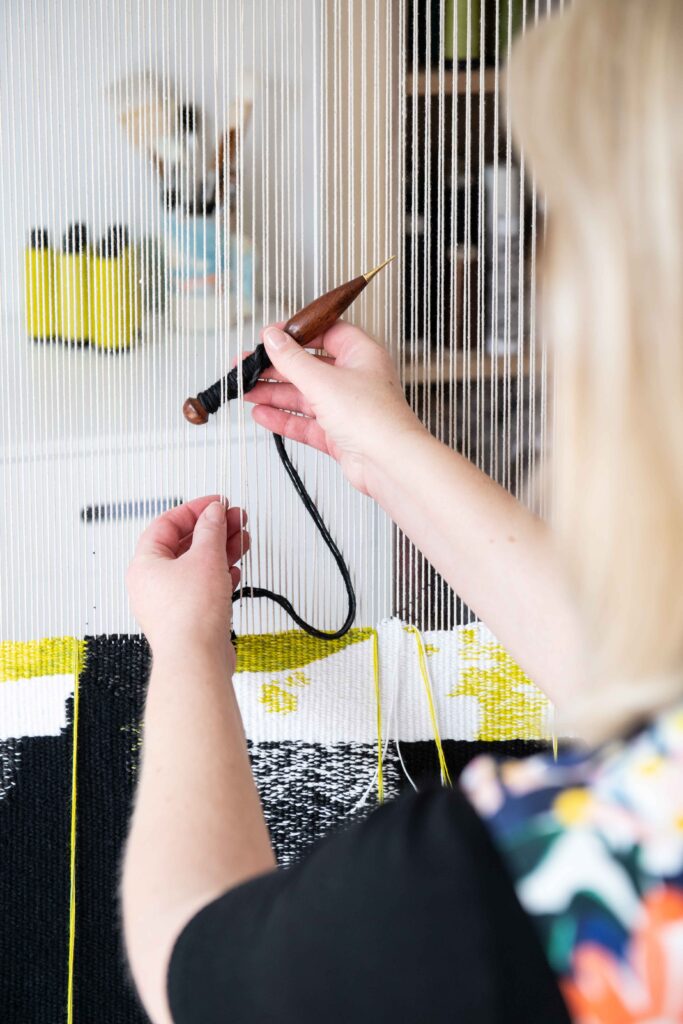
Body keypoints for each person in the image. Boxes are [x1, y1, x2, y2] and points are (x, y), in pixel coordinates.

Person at [122, 1, 683, 1021]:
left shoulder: (548, 886)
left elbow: (195, 970)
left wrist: (187, 641)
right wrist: (384, 451)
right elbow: (633, 676)